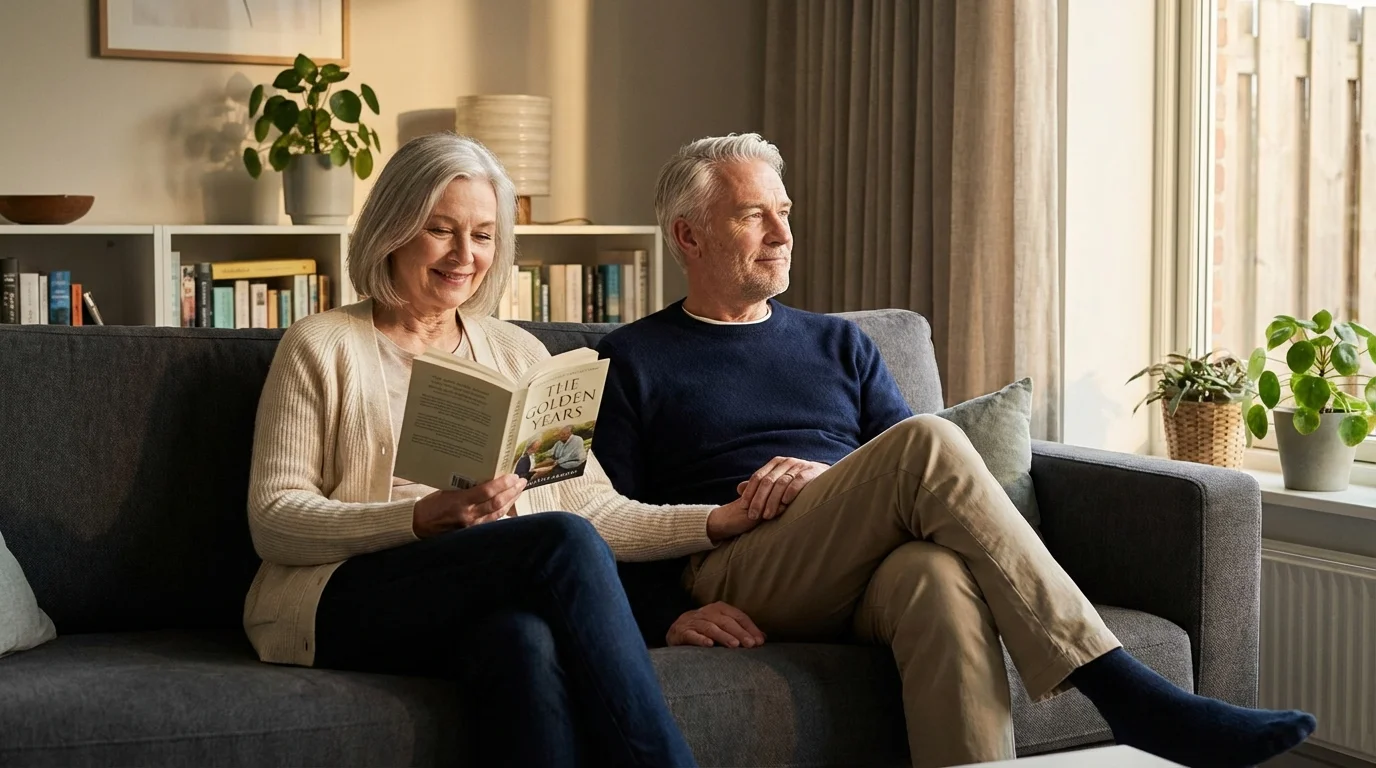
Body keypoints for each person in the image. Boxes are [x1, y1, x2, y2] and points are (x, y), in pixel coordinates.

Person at [591, 133, 1317, 768]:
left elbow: (901, 483)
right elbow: (600, 514)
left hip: (862, 563)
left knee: (936, 576)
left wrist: (831, 479)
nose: (782, 233)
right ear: (688, 236)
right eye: (754, 215)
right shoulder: (629, 360)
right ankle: (1122, 688)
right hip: (743, 566)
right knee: (930, 441)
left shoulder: (840, 343)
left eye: (784, 212)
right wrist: (664, 615)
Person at [244, 132, 758, 768]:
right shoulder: (321, 345)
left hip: (476, 591)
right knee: (558, 540)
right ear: (394, 228)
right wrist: (417, 518)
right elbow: (274, 520)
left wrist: (715, 520)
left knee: (522, 641)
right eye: (441, 230)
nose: (465, 255)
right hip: (338, 596)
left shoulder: (520, 354)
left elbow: (594, 508)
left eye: (483, 235)